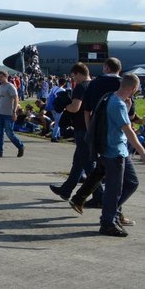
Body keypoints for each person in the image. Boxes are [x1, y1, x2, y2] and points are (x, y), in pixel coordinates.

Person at [70, 73, 145, 237]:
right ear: (134, 88)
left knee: (132, 183)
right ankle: (107, 222)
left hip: (116, 149)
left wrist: (127, 109)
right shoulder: (117, 104)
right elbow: (128, 130)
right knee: (114, 190)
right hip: (114, 152)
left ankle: (111, 212)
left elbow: (113, 121)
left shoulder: (110, 98)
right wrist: (143, 152)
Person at [50, 63, 95, 201]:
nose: (73, 79)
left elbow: (75, 107)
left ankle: (99, 193)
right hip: (91, 126)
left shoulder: (81, 87)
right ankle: (66, 189)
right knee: (78, 162)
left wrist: (66, 107)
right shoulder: (94, 85)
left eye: (73, 76)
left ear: (77, 73)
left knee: (87, 163)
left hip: (81, 127)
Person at [0, 71, 25, 159]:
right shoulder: (0, 86)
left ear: (6, 77)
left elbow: (16, 99)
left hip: (9, 114)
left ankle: (20, 146)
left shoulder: (10, 86)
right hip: (1, 113)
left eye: (1, 77)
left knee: (9, 133)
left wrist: (14, 112)